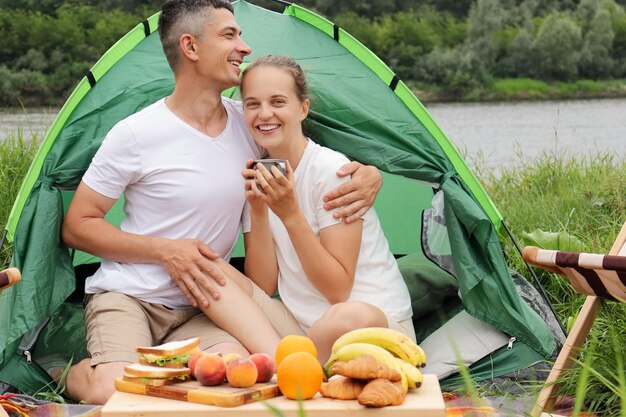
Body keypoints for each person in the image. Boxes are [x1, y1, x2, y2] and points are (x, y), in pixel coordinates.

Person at [60, 0, 382, 404]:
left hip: (209, 305)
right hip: (131, 296)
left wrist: (372, 174)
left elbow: (305, 150)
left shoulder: (249, 125)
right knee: (115, 391)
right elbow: (78, 224)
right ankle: (70, 371)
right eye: (230, 35)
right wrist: (165, 251)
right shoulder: (136, 134)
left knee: (237, 381)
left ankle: (171, 367)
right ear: (191, 47)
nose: (244, 47)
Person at [239, 55, 414, 363]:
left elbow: (337, 290)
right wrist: (258, 213)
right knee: (216, 273)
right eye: (252, 104)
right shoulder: (256, 174)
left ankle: (289, 371)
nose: (264, 114)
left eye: (278, 102)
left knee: (347, 317)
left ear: (302, 108)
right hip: (301, 328)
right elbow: (263, 285)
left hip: (371, 327)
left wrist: (290, 214)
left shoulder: (333, 172)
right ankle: (295, 364)